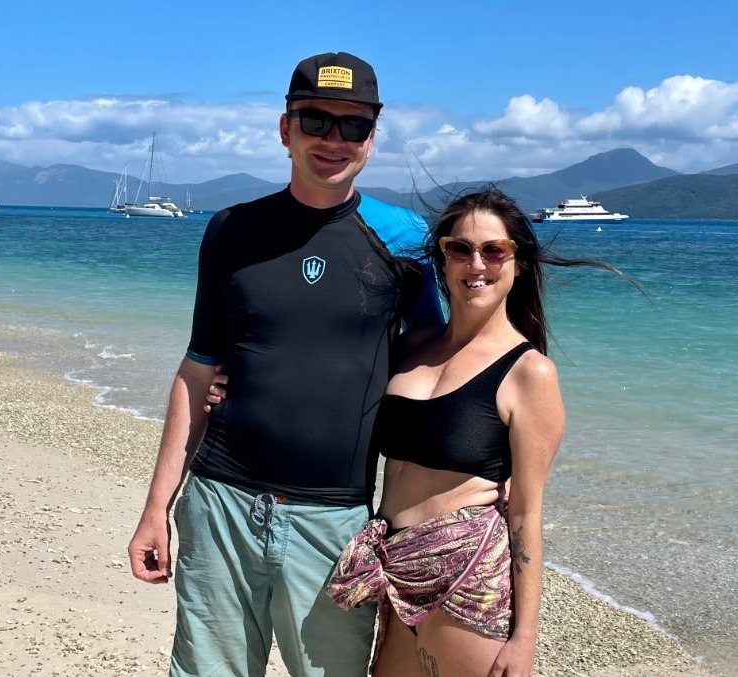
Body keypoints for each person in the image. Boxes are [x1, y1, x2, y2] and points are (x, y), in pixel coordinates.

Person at [126, 51, 443, 677]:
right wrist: (156, 507)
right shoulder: (231, 230)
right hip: (220, 504)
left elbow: (440, 370)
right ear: (285, 129)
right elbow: (197, 371)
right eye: (315, 120)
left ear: (372, 138)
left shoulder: (407, 239)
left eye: (354, 125)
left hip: (335, 519)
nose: (334, 139)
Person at [324, 187, 631, 677]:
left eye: (494, 250)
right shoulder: (412, 346)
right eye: (460, 249)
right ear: (442, 259)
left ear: (518, 263)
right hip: (394, 566)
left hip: (465, 577)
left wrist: (524, 639)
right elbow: (336, 389)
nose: (476, 264)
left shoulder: (529, 373)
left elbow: (526, 512)